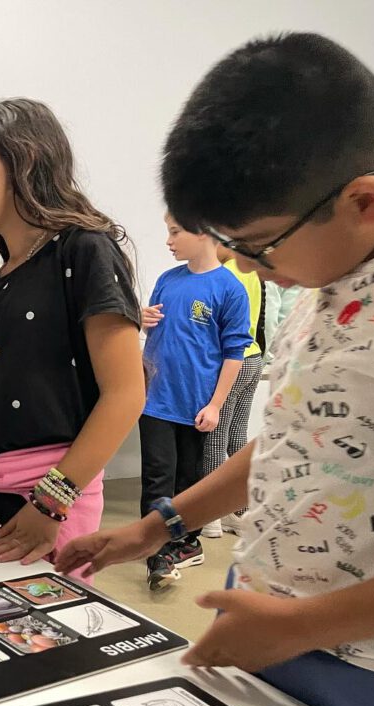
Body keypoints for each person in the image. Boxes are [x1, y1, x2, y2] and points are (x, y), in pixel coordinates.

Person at [56, 32, 374, 706]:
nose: (246, 266)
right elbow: (292, 444)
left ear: (364, 204)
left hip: (356, 661)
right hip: (266, 615)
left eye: (258, 244)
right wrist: (157, 527)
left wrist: (301, 626)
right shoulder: (324, 287)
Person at [0, 99, 145, 577]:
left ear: (25, 155)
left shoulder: (85, 251)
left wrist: (51, 503)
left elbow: (126, 394)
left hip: (45, 507)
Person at [139, 214, 250, 589]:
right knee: (157, 477)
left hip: (196, 405)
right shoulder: (167, 280)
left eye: (175, 232)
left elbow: (234, 354)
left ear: (203, 232)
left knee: (189, 480)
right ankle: (156, 550)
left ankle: (186, 542)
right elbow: (154, 334)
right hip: (155, 401)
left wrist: (215, 405)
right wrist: (141, 319)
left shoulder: (230, 289)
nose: (168, 241)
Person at [202, 245, 264, 537]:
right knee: (238, 434)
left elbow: (216, 327)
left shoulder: (224, 274)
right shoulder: (249, 270)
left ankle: (212, 517)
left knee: (215, 440)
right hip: (254, 358)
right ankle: (242, 511)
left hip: (233, 362)